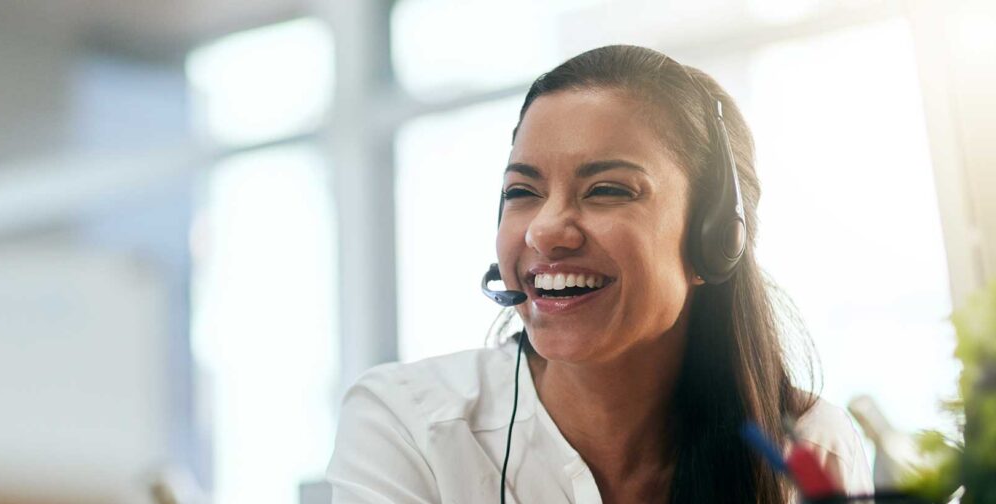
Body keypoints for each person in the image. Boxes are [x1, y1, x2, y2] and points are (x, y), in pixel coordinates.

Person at [325, 45, 872, 503]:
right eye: (522, 192)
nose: (544, 231)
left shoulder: (809, 447)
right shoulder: (408, 426)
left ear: (714, 238)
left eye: (607, 189)